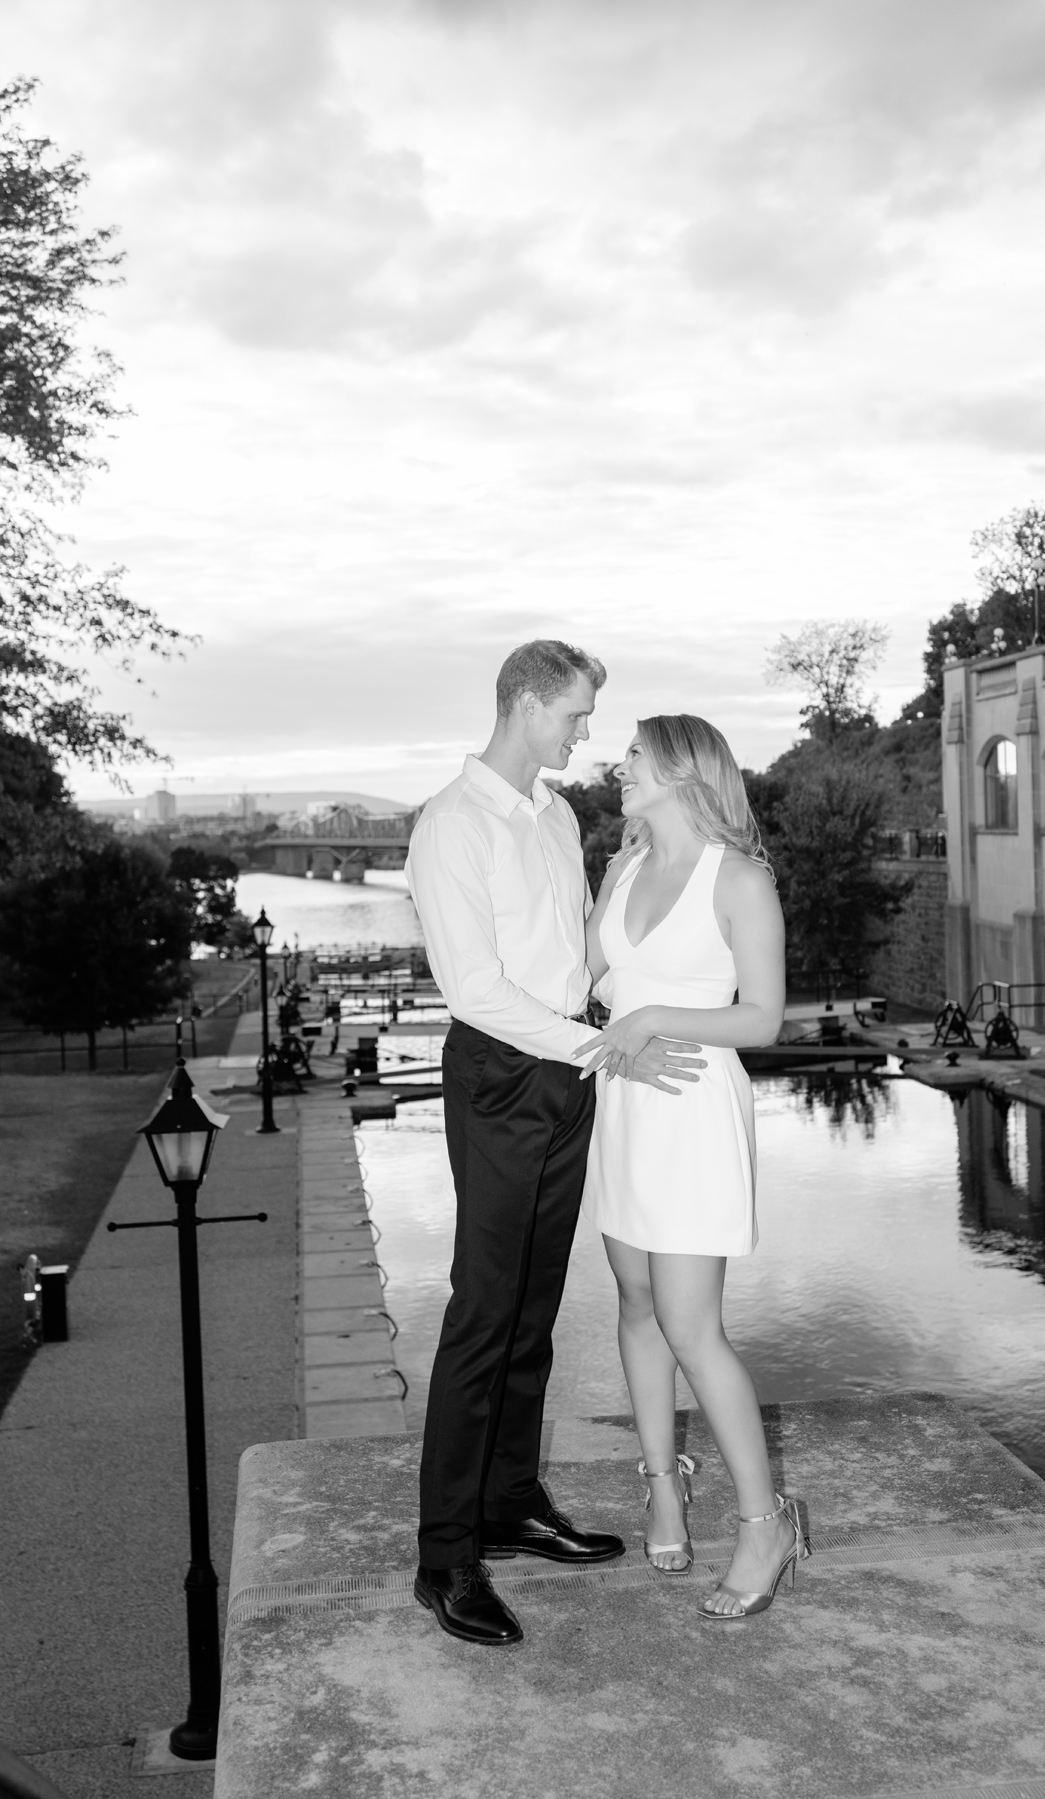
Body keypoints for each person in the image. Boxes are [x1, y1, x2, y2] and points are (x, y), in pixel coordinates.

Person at [404, 643, 705, 1647]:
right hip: (501, 1072)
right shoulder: (452, 826)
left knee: (533, 1305)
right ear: (527, 702)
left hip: (570, 1068)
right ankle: (445, 1557)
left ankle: (509, 1500)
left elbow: (576, 952)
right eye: (575, 714)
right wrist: (598, 1046)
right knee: (483, 1312)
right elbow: (476, 989)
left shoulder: (558, 814)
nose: (585, 733)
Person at [576, 714, 805, 1620]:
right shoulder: (624, 866)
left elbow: (763, 1017)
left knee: (689, 1324)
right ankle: (662, 1484)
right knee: (633, 1300)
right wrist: (611, 1026)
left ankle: (765, 1523)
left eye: (632, 757)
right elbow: (583, 977)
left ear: (680, 768)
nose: (619, 768)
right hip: (625, 1105)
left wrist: (651, 1019)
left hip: (693, 1109)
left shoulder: (740, 879)